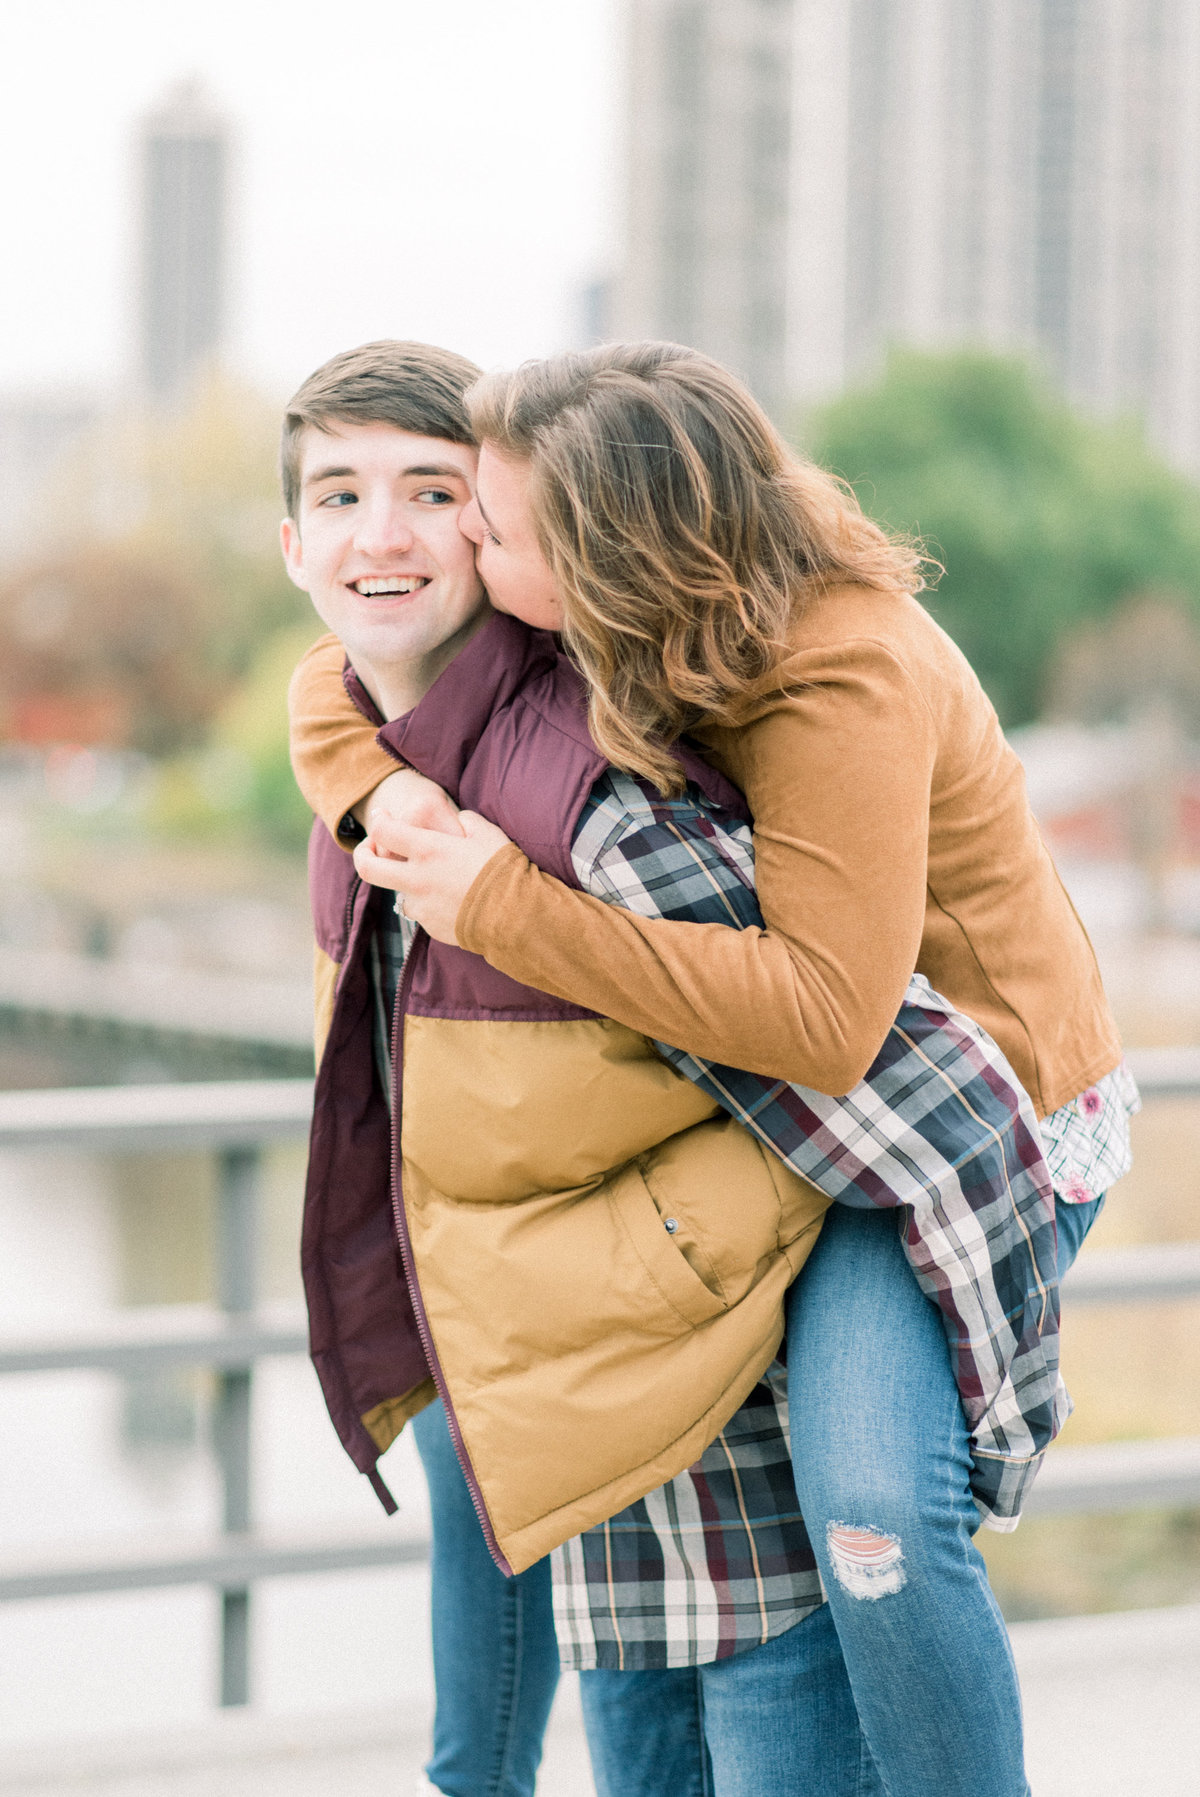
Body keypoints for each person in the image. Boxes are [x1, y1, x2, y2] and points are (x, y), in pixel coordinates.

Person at [289, 340, 1137, 1797]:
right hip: (802, 1135)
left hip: (967, 1117)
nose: (459, 555)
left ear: (605, 554)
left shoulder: (837, 669)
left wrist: (500, 903)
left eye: (489, 528)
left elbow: (823, 1016)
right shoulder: (624, 631)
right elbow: (346, 681)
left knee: (873, 1509)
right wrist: (389, 783)